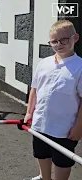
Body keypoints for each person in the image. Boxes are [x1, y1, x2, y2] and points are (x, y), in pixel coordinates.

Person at [24, 20, 82, 180]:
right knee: (41, 154)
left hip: (64, 128)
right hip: (40, 123)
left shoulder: (79, 67)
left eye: (64, 39)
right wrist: (29, 112)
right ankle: (44, 177)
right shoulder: (44, 63)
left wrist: (79, 126)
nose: (59, 44)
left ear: (75, 38)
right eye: (54, 41)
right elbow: (35, 89)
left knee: (62, 161)